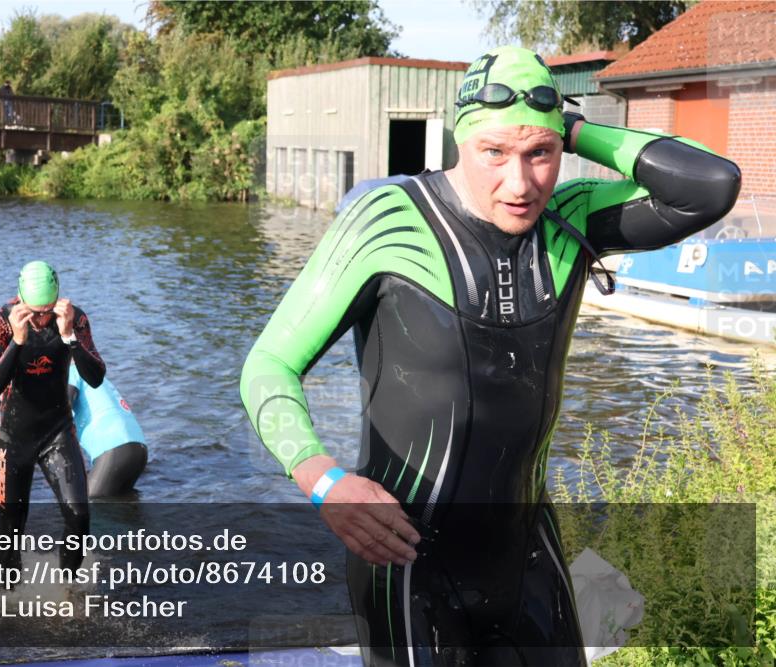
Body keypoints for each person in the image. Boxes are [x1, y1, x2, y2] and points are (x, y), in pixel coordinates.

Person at [240, 45, 741, 666]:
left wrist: (573, 127)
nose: (521, 183)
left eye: (542, 154)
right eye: (494, 152)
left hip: (526, 555)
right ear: (460, 142)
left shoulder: (571, 218)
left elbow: (710, 186)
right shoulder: (388, 221)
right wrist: (323, 480)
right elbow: (268, 366)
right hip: (405, 565)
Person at [0, 260, 105, 575]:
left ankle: (67, 590)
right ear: (19, 299)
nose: (41, 319)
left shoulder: (73, 318)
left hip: (57, 431)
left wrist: (69, 338)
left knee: (79, 518)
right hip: (13, 437)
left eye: (47, 310)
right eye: (35, 312)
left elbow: (95, 378)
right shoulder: (2, 321)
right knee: (11, 528)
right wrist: (18, 341)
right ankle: (5, 597)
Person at [68, 362, 147, 497]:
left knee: (89, 505)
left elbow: (64, 409)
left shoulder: (71, 372)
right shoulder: (94, 374)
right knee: (124, 507)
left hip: (114, 450)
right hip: (139, 449)